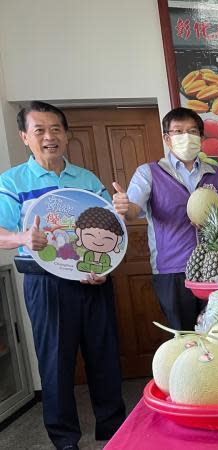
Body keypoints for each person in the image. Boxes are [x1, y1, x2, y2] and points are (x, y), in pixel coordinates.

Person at [0, 101, 125, 450]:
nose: (49, 137)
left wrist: (105, 265)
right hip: (46, 283)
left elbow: (109, 231)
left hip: (93, 280)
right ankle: (64, 438)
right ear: (25, 137)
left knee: (104, 356)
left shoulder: (86, 180)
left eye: (56, 129)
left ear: (67, 135)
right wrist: (22, 237)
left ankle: (113, 430)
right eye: (39, 130)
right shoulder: (12, 182)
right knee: (55, 361)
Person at [112, 107, 218, 331]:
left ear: (202, 138)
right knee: (184, 336)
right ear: (167, 138)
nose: (186, 137)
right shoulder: (149, 173)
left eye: (192, 131)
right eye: (178, 131)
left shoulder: (216, 173)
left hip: (215, 268)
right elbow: (132, 211)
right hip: (172, 270)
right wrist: (124, 206)